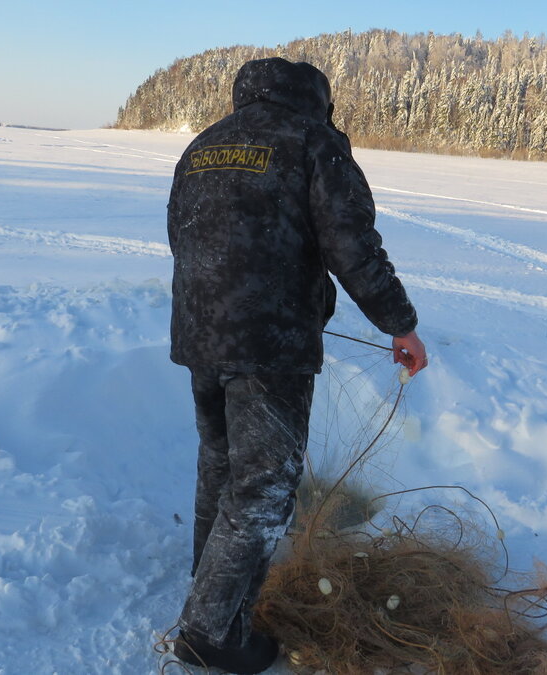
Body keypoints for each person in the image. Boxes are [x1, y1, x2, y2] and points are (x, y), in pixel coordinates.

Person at [166, 56, 427, 673]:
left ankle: (210, 590)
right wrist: (400, 324)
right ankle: (209, 633)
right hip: (270, 343)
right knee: (263, 487)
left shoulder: (204, 143)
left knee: (222, 467)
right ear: (316, 99)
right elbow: (353, 245)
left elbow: (182, 236)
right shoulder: (314, 141)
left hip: (201, 336)